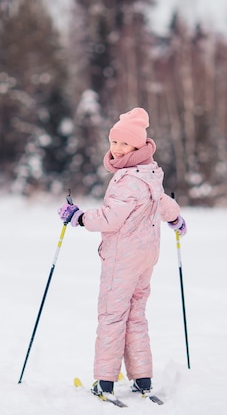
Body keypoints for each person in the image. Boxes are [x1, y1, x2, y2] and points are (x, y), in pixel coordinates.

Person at [58, 107, 187, 398]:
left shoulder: (127, 180)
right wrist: (175, 218)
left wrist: (77, 217)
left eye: (123, 143)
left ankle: (104, 381)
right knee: (135, 316)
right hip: (146, 256)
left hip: (123, 259)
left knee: (112, 316)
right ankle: (142, 379)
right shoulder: (150, 173)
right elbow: (163, 202)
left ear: (138, 146)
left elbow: (110, 219)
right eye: (113, 142)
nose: (116, 149)